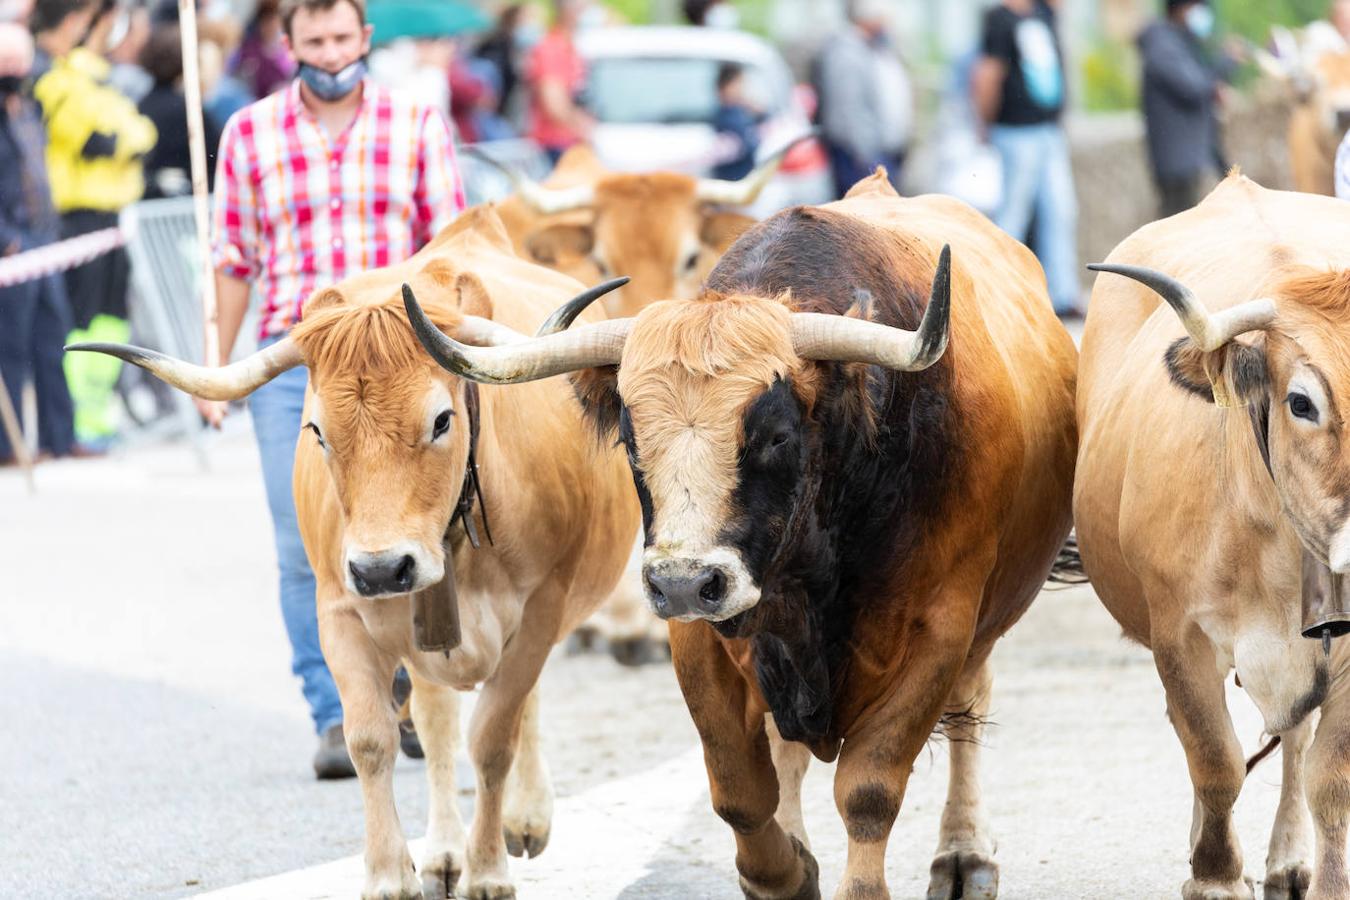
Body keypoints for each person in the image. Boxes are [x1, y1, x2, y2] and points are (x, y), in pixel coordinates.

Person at [205, 0, 464, 778]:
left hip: (397, 360)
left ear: (365, 40)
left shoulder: (416, 123)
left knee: (420, 521)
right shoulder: (248, 132)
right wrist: (218, 370)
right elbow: (233, 259)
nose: (329, 52)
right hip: (298, 365)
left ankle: (417, 690)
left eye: (341, 38)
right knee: (303, 544)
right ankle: (337, 711)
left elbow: (449, 246)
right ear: (288, 46)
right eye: (312, 40)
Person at [31, 0, 156, 450]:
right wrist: (130, 139)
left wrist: (130, 138)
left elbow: (143, 134)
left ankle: (97, 415)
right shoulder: (61, 83)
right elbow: (101, 143)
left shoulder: (98, 83)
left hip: (112, 220)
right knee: (80, 323)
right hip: (78, 220)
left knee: (111, 321)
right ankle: (79, 423)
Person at [972, 0, 1080, 317]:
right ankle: (999, 291)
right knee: (1013, 215)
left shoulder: (1042, 13)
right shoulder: (999, 20)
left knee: (1060, 210)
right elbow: (988, 74)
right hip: (1015, 131)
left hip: (1048, 129)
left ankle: (1063, 294)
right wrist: (985, 122)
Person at [0, 22, 75, 466]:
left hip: (44, 238)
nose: (14, 69)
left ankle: (59, 439)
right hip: (12, 244)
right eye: (6, 62)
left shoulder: (28, 105)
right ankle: (9, 447)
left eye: (18, 60)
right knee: (11, 347)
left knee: (53, 341)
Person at [1138, 0, 1234, 217]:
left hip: (1189, 160)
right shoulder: (1162, 46)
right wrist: (1224, 64)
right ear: (1179, 9)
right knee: (1179, 233)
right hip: (1177, 164)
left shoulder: (1181, 42)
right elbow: (1193, 87)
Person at [814, 0, 912, 197]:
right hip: (861, 155)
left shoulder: (877, 47)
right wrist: (865, 155)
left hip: (881, 151)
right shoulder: (846, 52)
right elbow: (848, 108)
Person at [137, 22, 222, 199]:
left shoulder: (141, 105)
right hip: (185, 205)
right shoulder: (189, 110)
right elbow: (216, 159)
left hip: (149, 204)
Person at [525, 0, 592, 164]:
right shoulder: (551, 48)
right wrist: (585, 129)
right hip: (554, 147)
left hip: (570, 144)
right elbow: (554, 105)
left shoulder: (570, 47)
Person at [228, 0, 293, 99]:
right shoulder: (248, 50)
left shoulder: (288, 51)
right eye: (266, 22)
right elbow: (233, 74)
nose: (270, 27)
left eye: (273, 22)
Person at [710, 62, 759, 181]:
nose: (741, 88)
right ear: (724, 87)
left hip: (745, 177)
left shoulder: (740, 112)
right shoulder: (725, 116)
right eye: (737, 83)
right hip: (732, 178)